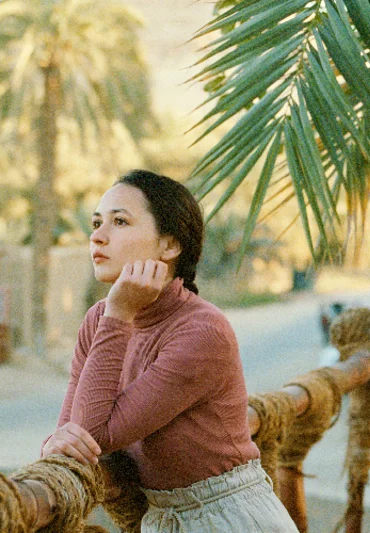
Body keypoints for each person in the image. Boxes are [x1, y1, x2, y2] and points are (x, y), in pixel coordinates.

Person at [41, 170, 297, 532]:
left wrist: (119, 314)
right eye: (97, 222)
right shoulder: (100, 318)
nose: (97, 236)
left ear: (170, 245)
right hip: (162, 519)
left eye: (120, 221)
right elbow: (73, 435)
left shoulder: (202, 332)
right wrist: (55, 441)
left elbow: (95, 437)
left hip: (230, 518)